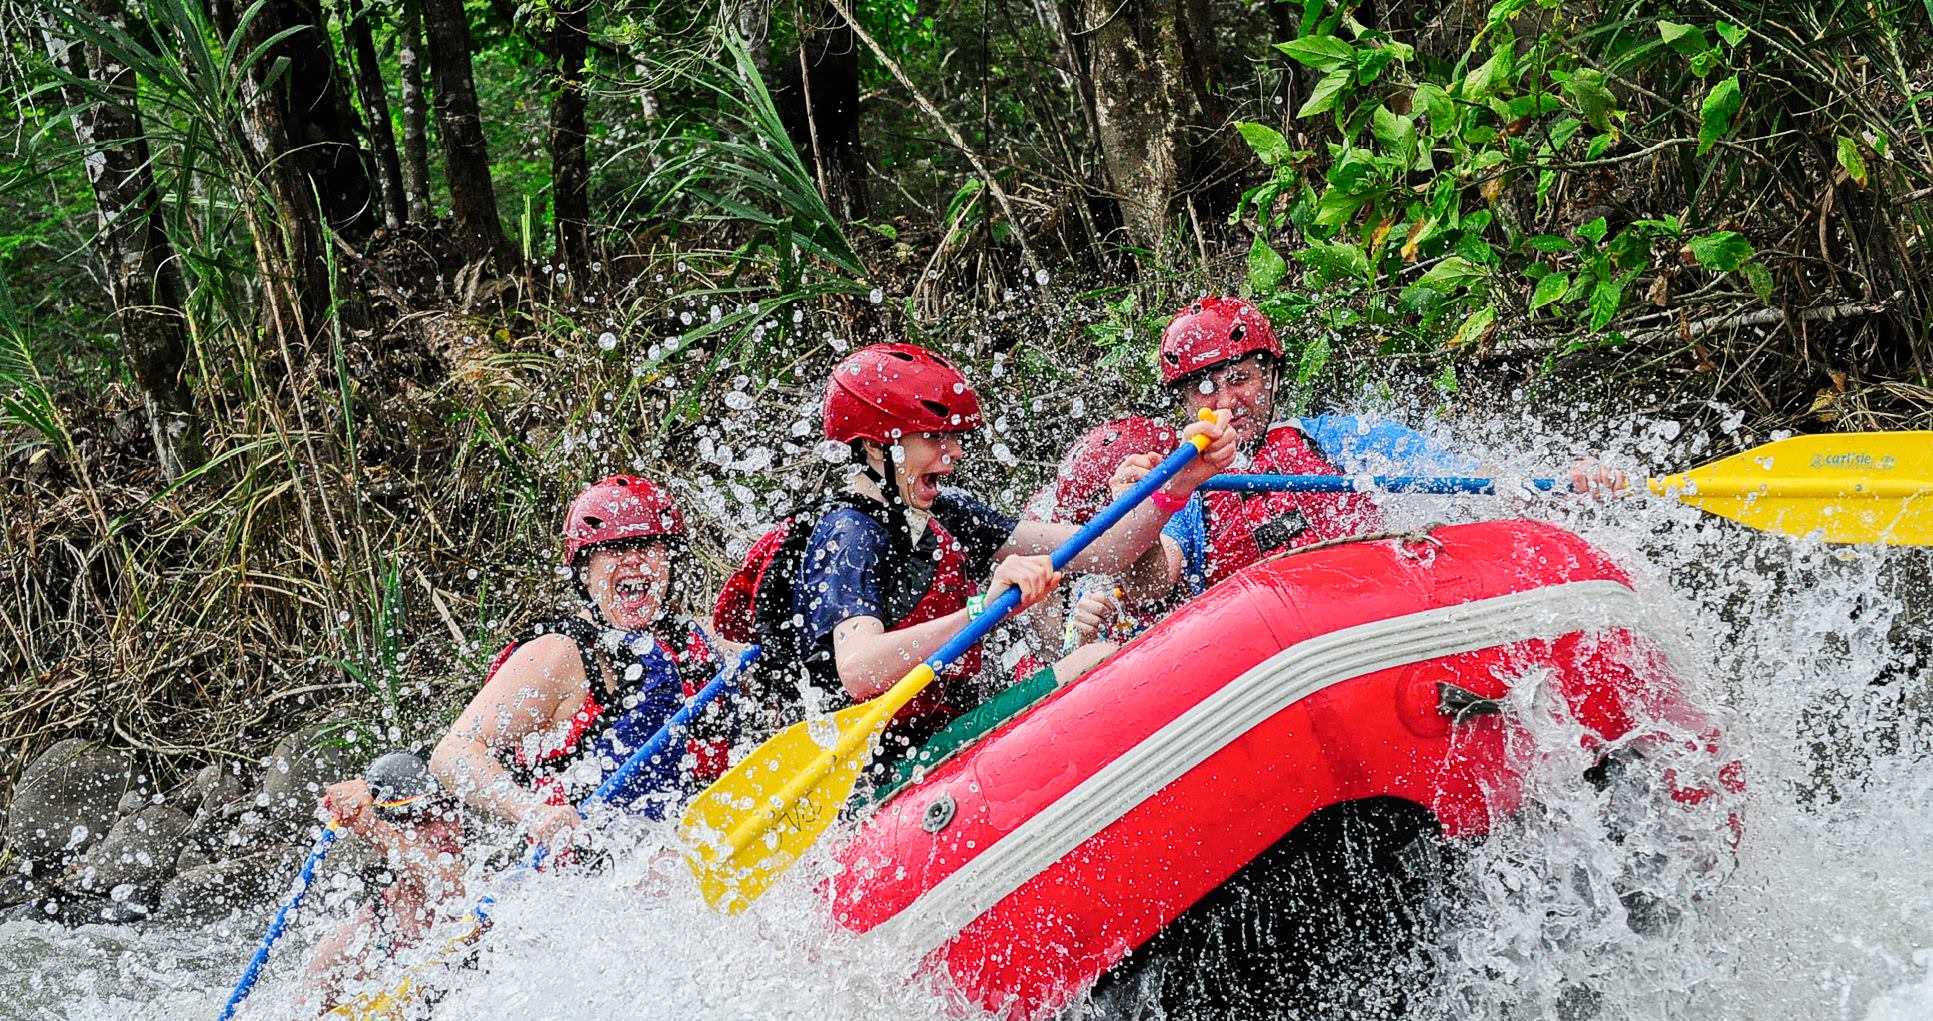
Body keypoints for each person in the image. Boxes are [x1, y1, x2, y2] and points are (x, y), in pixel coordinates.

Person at [712, 341, 1235, 780]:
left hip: (941, 734)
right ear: (876, 449)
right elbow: (859, 669)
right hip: (876, 770)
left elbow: (1104, 549)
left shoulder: (946, 512)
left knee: (1094, 655)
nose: (954, 453)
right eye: (934, 438)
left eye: (954, 438)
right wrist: (979, 608)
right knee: (1088, 662)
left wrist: (1178, 483)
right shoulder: (847, 535)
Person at [1078, 297, 1628, 626]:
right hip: (1264, 651)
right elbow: (1157, 580)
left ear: (1270, 378)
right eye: (1204, 389)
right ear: (1186, 404)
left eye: (1241, 378)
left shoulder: (1338, 440)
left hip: (1365, 613)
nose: (1225, 403)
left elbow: (1466, 484)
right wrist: (1144, 520)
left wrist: (1563, 484)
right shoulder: (1178, 484)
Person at [154, 751, 469, 1021]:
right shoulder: (358, 939)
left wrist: (371, 824)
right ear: (389, 834)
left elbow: (451, 891)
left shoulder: (491, 896)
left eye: (450, 811)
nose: (446, 828)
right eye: (423, 818)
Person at [431, 475, 733, 849]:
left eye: (648, 545)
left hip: (700, 853)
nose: (633, 560)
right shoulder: (559, 655)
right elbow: (453, 753)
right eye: (614, 549)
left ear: (670, 562)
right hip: (591, 873)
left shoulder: (703, 641)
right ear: (585, 573)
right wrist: (532, 812)